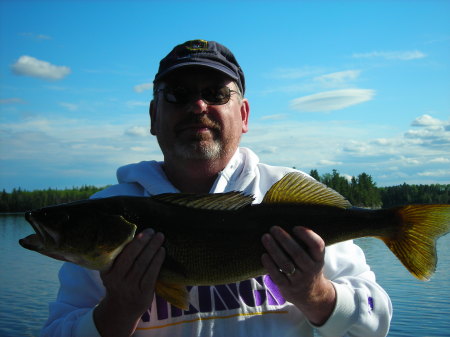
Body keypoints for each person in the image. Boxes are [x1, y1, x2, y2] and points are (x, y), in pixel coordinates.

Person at [40, 39, 392, 337]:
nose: (198, 106)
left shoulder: (290, 202)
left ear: (243, 115)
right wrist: (116, 311)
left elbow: (377, 322)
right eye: (177, 94)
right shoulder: (105, 212)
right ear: (153, 116)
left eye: (216, 93)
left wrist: (318, 294)